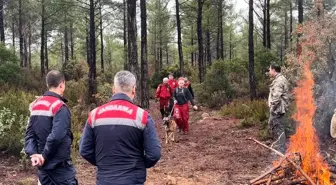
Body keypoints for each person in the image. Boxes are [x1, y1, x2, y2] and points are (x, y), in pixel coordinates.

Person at [79, 70, 161, 185]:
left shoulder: (94, 115)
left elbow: (84, 150)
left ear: (113, 89)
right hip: (133, 179)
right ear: (134, 90)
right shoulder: (142, 116)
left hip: (104, 179)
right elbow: (154, 154)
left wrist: (103, 165)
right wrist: (139, 165)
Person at [24, 70, 77, 185]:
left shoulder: (36, 105)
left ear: (48, 84)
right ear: (62, 85)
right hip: (60, 169)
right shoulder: (59, 106)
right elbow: (57, 136)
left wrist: (33, 154)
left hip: (43, 170)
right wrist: (44, 155)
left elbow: (29, 134)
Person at [268, 64, 289, 154]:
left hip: (277, 109)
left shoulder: (279, 81)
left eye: (269, 70)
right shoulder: (280, 79)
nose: (269, 71)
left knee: (278, 129)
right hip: (278, 108)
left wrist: (272, 109)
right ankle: (278, 148)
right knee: (275, 127)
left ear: (273, 70)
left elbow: (276, 98)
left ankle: (280, 151)